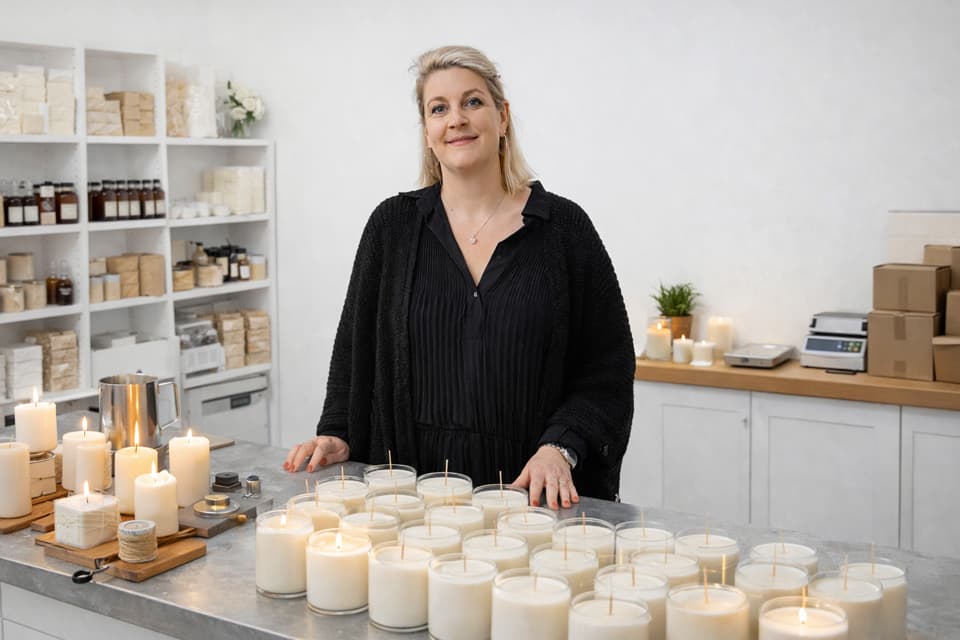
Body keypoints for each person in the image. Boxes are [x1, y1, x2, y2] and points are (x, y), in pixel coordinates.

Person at [284, 45, 634, 509]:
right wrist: (338, 433)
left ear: (502, 116)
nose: (456, 120)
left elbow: (607, 368)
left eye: (472, 102)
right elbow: (354, 348)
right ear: (427, 131)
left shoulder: (565, 231)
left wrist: (560, 447)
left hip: (530, 503)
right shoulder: (391, 227)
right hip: (407, 501)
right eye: (438, 109)